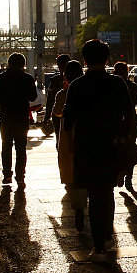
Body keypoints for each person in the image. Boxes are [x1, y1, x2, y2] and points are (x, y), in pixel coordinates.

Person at [63, 39, 133, 261]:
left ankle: (99, 245)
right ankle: (106, 238)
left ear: (84, 59)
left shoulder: (76, 86)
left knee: (93, 195)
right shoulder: (117, 83)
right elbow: (129, 116)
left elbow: (67, 121)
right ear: (107, 59)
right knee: (107, 192)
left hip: (86, 147)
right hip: (111, 145)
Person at [0, 52, 38, 187]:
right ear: (23, 65)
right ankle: (20, 177)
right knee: (21, 148)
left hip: (6, 117)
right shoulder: (27, 78)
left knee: (6, 147)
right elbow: (33, 97)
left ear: (9, 64)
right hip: (21, 117)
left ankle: (7, 175)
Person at [53, 60, 85, 227]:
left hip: (69, 136)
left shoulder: (63, 93)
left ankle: (78, 208)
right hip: (89, 134)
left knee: (73, 173)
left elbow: (57, 112)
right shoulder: (90, 88)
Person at [113, 61, 137, 191]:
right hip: (130, 123)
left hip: (118, 124)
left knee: (123, 151)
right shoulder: (132, 86)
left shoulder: (113, 86)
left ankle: (123, 173)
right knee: (130, 152)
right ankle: (127, 175)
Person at [44, 54, 71, 140]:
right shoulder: (77, 80)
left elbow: (50, 100)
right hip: (72, 115)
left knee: (59, 139)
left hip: (57, 114)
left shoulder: (54, 80)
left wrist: (47, 116)